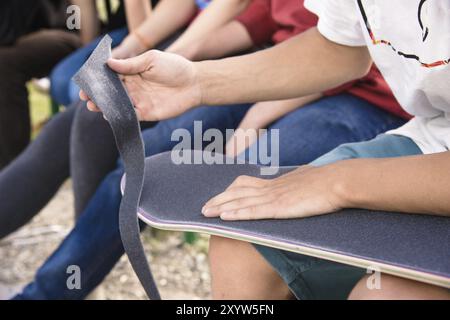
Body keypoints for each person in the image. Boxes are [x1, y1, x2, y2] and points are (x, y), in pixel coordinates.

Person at [8, 0, 410, 300]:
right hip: (282, 73)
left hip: (365, 100)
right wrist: (182, 69)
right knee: (141, 169)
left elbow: (354, 60)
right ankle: (47, 293)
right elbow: (260, 23)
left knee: (246, 196)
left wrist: (253, 118)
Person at [0, 0, 252, 299]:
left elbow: (256, 22)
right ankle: (78, 275)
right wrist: (141, 52)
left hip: (247, 63)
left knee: (130, 168)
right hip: (194, 42)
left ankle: (57, 286)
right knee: (86, 113)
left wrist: (172, 62)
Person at [0, 0, 83, 169]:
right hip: (25, 35)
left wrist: (86, 49)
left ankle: (13, 171)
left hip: (63, 30)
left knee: (4, 65)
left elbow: (7, 33)